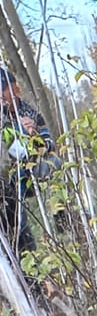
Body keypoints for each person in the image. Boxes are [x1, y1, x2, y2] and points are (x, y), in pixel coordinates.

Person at [0, 66, 54, 261]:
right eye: (8, 91)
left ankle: (63, 218)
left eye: (13, 89)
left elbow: (49, 142)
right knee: (15, 213)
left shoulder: (27, 110)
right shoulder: (2, 117)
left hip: (31, 166)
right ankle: (22, 250)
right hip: (9, 177)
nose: (13, 95)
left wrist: (36, 136)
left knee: (55, 164)